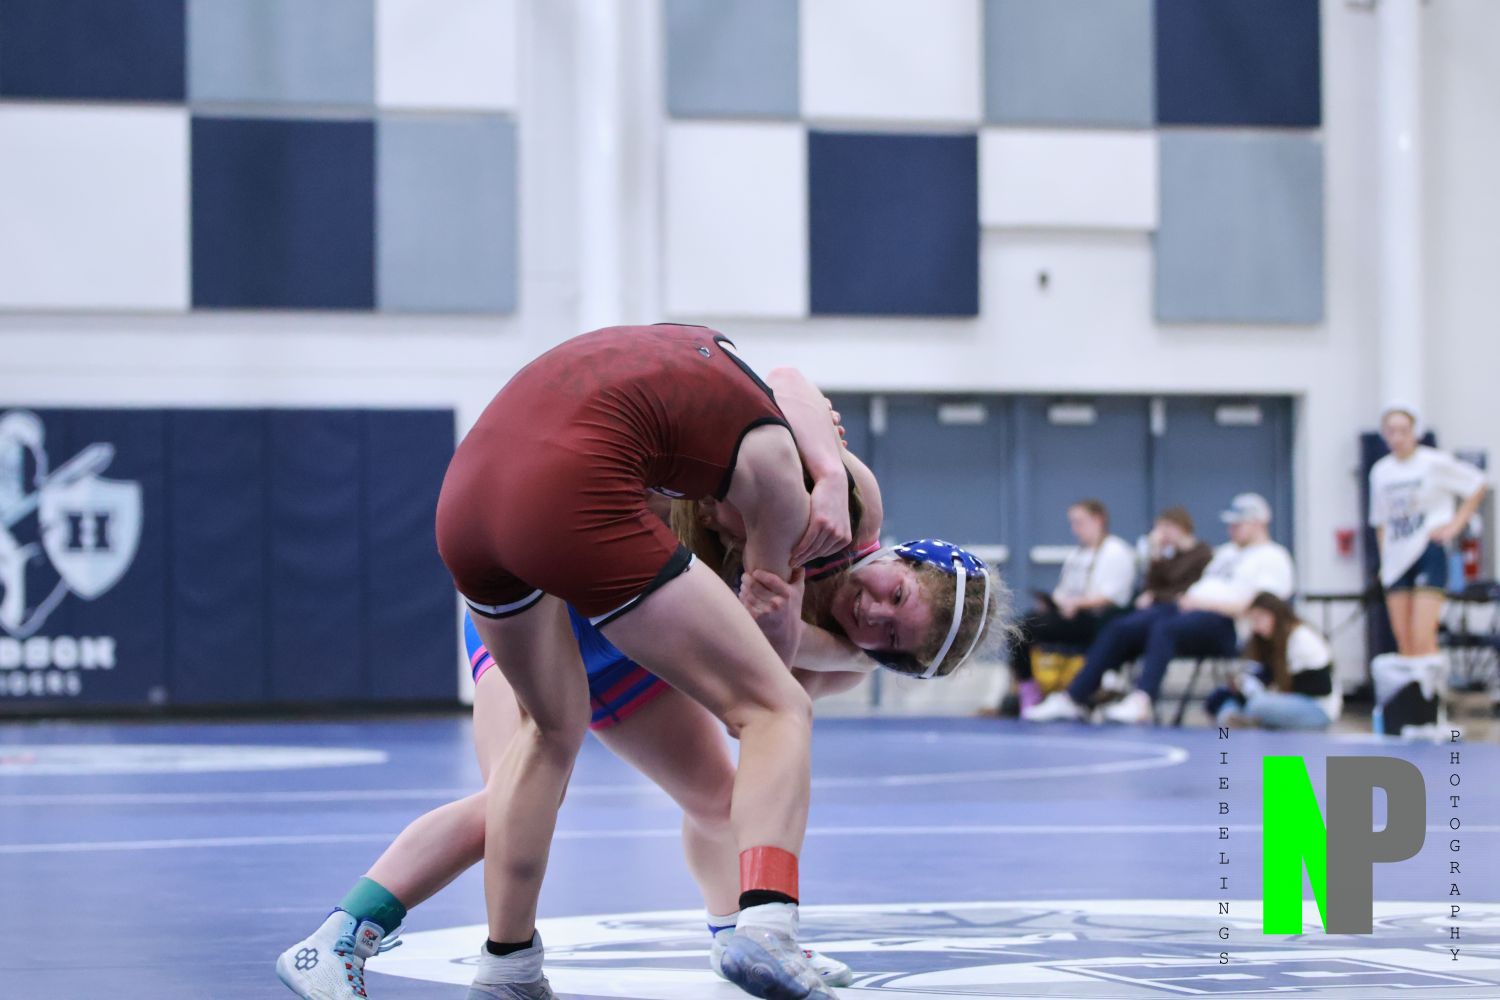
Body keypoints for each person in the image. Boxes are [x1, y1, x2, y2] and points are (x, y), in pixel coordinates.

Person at [276, 340, 1002, 1000]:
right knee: (513, 799)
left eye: (887, 638)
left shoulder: (840, 655)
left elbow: (748, 705)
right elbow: (784, 385)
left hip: (630, 619)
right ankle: (346, 932)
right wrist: (828, 475)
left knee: (722, 798)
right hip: (567, 579)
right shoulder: (847, 506)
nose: (872, 612)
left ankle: (737, 935)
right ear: (900, 556)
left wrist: (806, 640)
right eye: (894, 594)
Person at [432, 324, 847, 1000]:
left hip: (467, 500)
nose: (718, 529)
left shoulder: (692, 363)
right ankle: (768, 925)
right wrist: (825, 488)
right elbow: (758, 685)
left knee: (546, 736)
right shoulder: (779, 483)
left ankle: (504, 966)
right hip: (571, 503)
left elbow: (787, 384)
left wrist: (831, 471)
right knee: (777, 708)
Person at [1025, 493, 1293, 725]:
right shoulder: (1225, 553)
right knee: (1124, 626)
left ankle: (1142, 700)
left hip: (1224, 623)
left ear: (1259, 523)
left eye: (1238, 523)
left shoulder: (1273, 556)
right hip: (1188, 609)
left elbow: (1265, 607)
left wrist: (1203, 603)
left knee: (1164, 628)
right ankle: (1074, 697)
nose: (1231, 529)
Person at [1369, 403, 1488, 658]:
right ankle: (1412, 685)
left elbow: (1478, 484)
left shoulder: (1433, 462)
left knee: (1423, 637)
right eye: (1391, 431)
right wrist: (1384, 560)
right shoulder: (1381, 471)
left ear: (1415, 432)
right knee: (1405, 643)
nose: (1397, 437)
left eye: (1403, 431)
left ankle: (1431, 684)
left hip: (1426, 550)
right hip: (1397, 556)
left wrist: (1454, 526)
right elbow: (1380, 521)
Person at [1002, 500, 1135, 713]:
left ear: (1098, 520)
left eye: (1080, 522)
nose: (1075, 529)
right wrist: (1053, 603)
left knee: (1026, 628)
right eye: (1073, 523)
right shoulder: (1077, 555)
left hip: (1098, 621)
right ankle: (1029, 691)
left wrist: (1077, 603)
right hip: (1071, 616)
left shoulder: (1116, 551)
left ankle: (1078, 694)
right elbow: (1064, 590)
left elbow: (1113, 596)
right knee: (1019, 629)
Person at [1206, 592, 1341, 730]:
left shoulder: (1302, 638)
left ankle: (1243, 719)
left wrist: (1275, 690)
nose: (1256, 625)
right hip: (1279, 699)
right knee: (1225, 698)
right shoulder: (1268, 641)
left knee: (1257, 705)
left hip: (1317, 708)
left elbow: (1322, 687)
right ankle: (1231, 720)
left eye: (1259, 618)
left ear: (1275, 614)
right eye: (1253, 620)